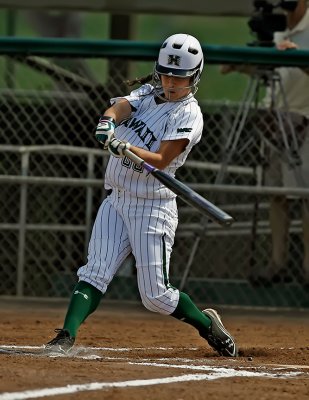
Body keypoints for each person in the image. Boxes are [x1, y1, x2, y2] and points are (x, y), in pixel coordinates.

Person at [45, 33, 238, 357]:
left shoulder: (189, 114)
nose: (171, 82)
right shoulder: (149, 93)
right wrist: (108, 122)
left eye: (180, 77)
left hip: (153, 207)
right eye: (166, 74)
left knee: (155, 297)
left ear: (195, 77)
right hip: (117, 199)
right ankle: (66, 336)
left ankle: (206, 325)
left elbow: (162, 158)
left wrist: (126, 147)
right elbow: (121, 106)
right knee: (95, 271)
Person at [221, 0, 309, 286]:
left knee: (306, 196)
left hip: (304, 121)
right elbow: (275, 71)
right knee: (276, 194)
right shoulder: (276, 27)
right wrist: (243, 65)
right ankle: (276, 262)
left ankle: (308, 267)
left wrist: (298, 57)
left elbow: (297, 69)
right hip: (274, 120)